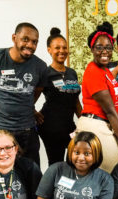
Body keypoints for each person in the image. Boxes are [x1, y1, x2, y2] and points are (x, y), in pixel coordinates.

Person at [0, 22, 49, 165]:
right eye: (25, 39)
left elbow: (34, 94)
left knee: (31, 174)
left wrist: (27, 107)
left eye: (34, 42)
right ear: (14, 38)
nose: (30, 45)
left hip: (27, 130)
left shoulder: (40, 67)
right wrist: (0, 101)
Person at [77, 21, 118, 173]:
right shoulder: (93, 70)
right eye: (99, 47)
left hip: (105, 125)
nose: (104, 51)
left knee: (111, 173)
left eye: (108, 47)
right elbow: (109, 111)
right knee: (117, 170)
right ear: (92, 49)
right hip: (95, 125)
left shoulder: (105, 71)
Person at [37, 27, 82, 165]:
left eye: (64, 47)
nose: (61, 51)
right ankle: (55, 186)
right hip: (51, 127)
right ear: (49, 50)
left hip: (69, 126)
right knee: (56, 163)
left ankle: (70, 186)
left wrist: (85, 120)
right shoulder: (45, 73)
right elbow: (30, 98)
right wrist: (33, 112)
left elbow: (75, 101)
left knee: (74, 160)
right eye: (57, 48)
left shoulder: (72, 73)